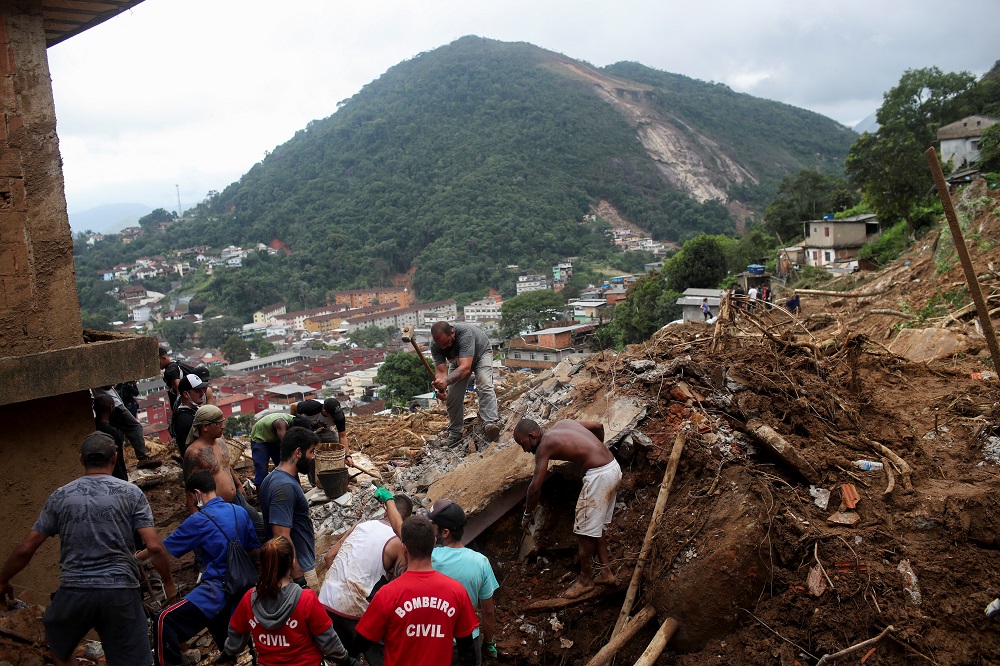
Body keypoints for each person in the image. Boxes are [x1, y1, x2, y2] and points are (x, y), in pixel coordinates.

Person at [0, 432, 176, 666]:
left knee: (59, 648)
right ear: (115, 458)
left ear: (81, 460)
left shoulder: (61, 496)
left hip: (74, 592)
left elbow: (25, 548)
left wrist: (3, 580)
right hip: (120, 592)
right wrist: (168, 581)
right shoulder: (131, 493)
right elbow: (154, 546)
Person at [147, 471, 258, 666]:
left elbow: (159, 550)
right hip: (243, 587)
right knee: (220, 625)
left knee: (164, 619)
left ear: (196, 494)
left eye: (190, 498)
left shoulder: (198, 520)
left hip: (217, 589)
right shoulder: (238, 511)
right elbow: (254, 549)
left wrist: (135, 558)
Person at [514, 419, 622, 599]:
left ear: (532, 436)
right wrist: (597, 450)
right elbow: (597, 426)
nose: (524, 450)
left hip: (599, 476)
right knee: (595, 525)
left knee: (583, 531)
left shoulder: (543, 447)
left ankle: (585, 581)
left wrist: (527, 513)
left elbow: (535, 488)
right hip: (612, 467)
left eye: (523, 444)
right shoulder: (563, 423)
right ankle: (606, 572)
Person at [355, 516, 479, 666]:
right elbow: (467, 651)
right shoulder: (457, 591)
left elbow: (361, 643)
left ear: (404, 548)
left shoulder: (387, 594)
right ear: (434, 544)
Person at [219, 537, 355, 666]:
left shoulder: (249, 599)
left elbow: (237, 632)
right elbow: (328, 639)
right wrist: (345, 659)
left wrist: (228, 652)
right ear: (293, 562)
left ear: (262, 563)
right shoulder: (306, 599)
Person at [319, 491, 412, 664]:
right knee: (380, 653)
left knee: (344, 658)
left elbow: (328, 557)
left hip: (326, 601)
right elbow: (398, 591)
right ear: (404, 521)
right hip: (355, 610)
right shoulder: (398, 542)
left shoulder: (360, 526)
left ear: (385, 511)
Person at [183, 405, 267, 545]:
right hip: (216, 508)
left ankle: (252, 559)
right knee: (225, 541)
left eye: (223, 421)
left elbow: (226, 466)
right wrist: (196, 518)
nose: (223, 426)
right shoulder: (194, 453)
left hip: (237, 499)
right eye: (218, 423)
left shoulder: (221, 441)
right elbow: (190, 489)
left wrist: (238, 484)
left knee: (260, 528)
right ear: (205, 427)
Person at [429, 499, 499, 665]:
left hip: (433, 640)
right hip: (468, 642)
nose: (430, 529)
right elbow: (488, 610)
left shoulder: (428, 559)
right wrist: (488, 642)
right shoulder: (480, 562)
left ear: (445, 532)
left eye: (433, 525)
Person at [259, 426, 320, 591]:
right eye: (312, 451)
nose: (313, 457)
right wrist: (299, 578)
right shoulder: (283, 486)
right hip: (297, 570)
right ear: (298, 452)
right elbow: (281, 535)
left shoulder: (273, 478)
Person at [429, 321, 499, 447]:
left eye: (446, 343)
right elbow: (441, 372)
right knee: (452, 395)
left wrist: (446, 381)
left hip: (480, 354)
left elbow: (466, 368)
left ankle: (490, 423)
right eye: (441, 345)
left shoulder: (465, 334)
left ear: (452, 332)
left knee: (484, 384)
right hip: (460, 360)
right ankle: (455, 433)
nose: (444, 348)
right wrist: (440, 389)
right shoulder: (436, 345)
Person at [91, 384, 154, 465]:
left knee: (118, 435)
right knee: (135, 427)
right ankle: (142, 458)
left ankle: (118, 463)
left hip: (107, 404)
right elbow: (107, 385)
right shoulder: (99, 377)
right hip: (114, 404)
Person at [290, 397, 351, 465]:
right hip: (306, 429)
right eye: (333, 416)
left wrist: (347, 456)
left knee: (336, 447)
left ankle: (337, 470)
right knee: (311, 454)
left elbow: (342, 436)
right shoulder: (311, 406)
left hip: (324, 430)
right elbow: (293, 406)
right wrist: (294, 424)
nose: (336, 418)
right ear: (325, 411)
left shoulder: (339, 417)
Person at [249, 412, 295, 485]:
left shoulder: (295, 420)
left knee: (286, 467)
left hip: (274, 439)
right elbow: (286, 444)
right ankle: (261, 494)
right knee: (262, 470)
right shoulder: (281, 423)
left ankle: (295, 490)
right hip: (260, 439)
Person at [172, 374, 210, 456]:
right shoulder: (184, 419)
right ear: (186, 394)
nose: (202, 393)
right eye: (197, 391)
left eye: (202, 390)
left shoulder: (193, 411)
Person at [94, 392, 128, 481]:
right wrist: (123, 480)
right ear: (111, 408)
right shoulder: (111, 431)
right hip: (113, 478)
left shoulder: (92, 427)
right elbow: (117, 461)